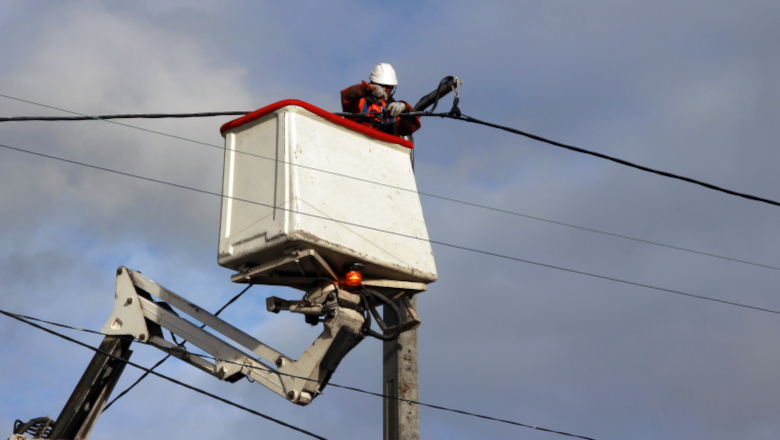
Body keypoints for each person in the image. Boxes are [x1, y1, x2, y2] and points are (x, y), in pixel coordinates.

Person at [340, 63, 421, 137]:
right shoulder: (360, 102)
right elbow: (347, 96)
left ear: (393, 87)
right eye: (380, 85)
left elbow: (411, 127)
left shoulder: (396, 113)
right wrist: (367, 89)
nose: (384, 89)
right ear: (372, 83)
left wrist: (405, 107)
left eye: (388, 87)